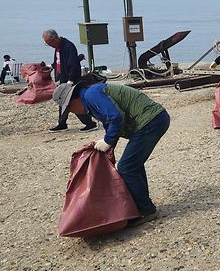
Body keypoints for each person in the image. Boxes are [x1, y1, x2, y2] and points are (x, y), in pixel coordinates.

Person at [53, 82, 170, 226]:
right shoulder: (91, 98)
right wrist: (108, 148)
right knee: (133, 164)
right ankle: (143, 206)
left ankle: (146, 210)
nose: (73, 112)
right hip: (154, 119)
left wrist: (108, 141)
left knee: (127, 167)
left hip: (151, 121)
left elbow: (116, 117)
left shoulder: (91, 95)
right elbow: (110, 123)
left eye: (70, 108)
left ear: (74, 99)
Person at [43, 29, 97, 132]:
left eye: (50, 43)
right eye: (48, 44)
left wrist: (71, 80)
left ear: (55, 38)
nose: (50, 46)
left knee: (72, 102)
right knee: (62, 101)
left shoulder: (68, 46)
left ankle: (90, 123)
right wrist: (50, 66)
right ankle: (62, 124)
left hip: (72, 80)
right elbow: (58, 62)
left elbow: (73, 65)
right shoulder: (58, 48)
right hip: (63, 78)